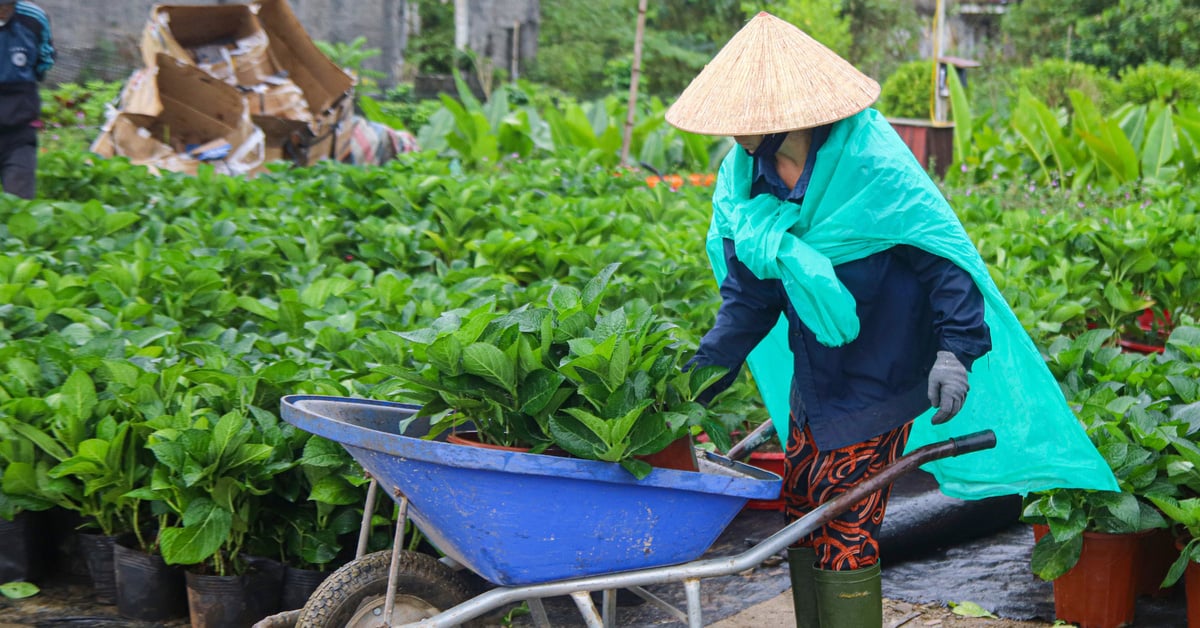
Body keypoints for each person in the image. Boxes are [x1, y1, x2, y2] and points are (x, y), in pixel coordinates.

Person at [667, 12, 1117, 628]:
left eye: (748, 122)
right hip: (817, 373)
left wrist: (956, 352)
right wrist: (696, 379)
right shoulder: (748, 182)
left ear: (789, 117)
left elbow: (943, 263)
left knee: (844, 515)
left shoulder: (871, 165)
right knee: (801, 505)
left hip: (886, 364)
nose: (737, 135)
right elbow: (750, 299)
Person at [0, 0, 54, 199]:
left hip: (19, 129)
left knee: (19, 203)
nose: (3, 12)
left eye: (8, 6)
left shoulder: (33, 18)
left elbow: (44, 60)